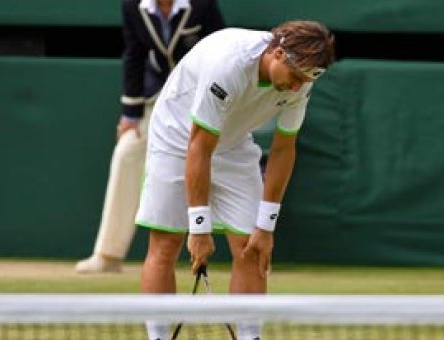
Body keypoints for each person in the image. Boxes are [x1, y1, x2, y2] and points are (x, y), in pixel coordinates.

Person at [135, 20, 335, 340]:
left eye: (305, 81)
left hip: (235, 142)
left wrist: (266, 227)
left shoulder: (303, 77)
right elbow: (199, 146)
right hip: (177, 138)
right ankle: (157, 337)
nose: (298, 87)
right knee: (166, 242)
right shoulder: (229, 65)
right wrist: (199, 228)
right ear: (279, 54)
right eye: (295, 78)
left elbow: (284, 148)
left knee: (252, 248)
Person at [76, 0, 225, 273]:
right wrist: (130, 115)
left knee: (222, 163)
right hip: (157, 98)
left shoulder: (203, 5)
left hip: (201, 99)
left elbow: (221, 52)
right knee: (126, 152)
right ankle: (108, 255)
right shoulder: (133, 6)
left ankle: (246, 250)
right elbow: (134, 54)